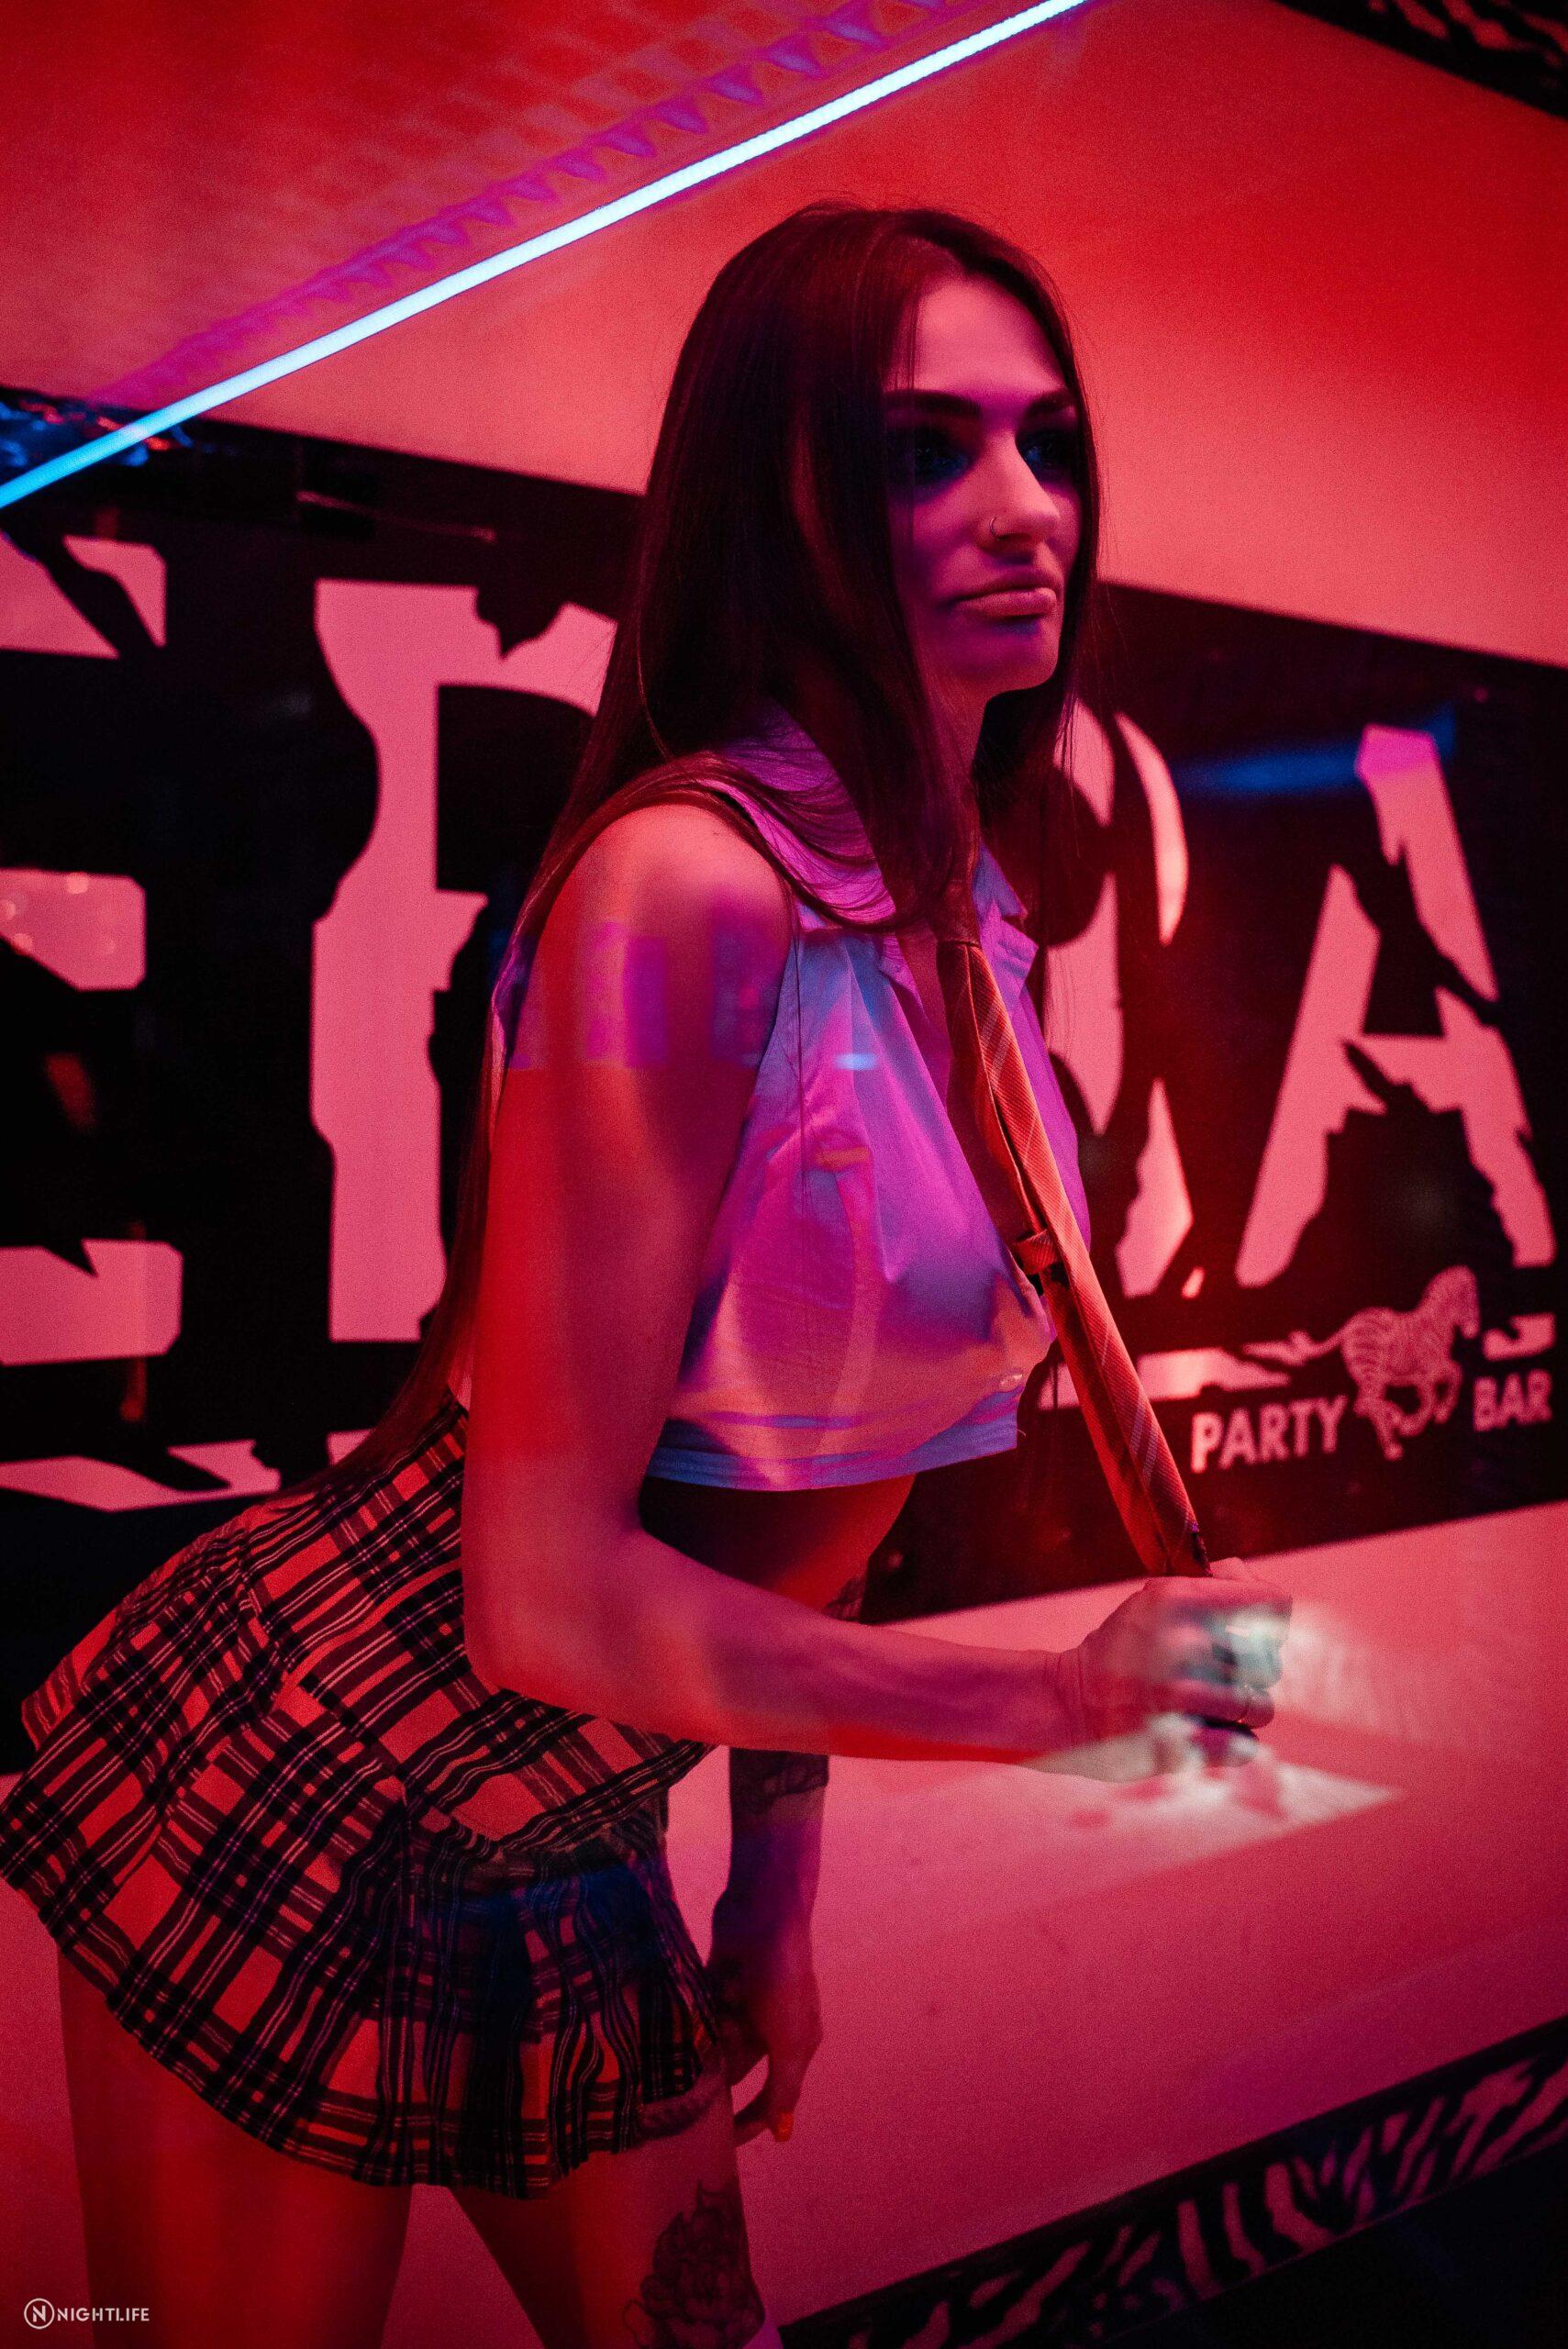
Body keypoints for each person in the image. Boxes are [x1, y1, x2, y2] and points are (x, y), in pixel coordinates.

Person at [0, 202, 1289, 2349]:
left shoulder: (961, 910)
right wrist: (1060, 1707)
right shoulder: (689, 889)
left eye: (1049, 441)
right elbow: (547, 1595)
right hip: (309, 1760)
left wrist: (774, 1870)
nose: (1026, 509)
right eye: (926, 450)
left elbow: (811, 1461)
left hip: (576, 1813)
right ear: (774, 494)